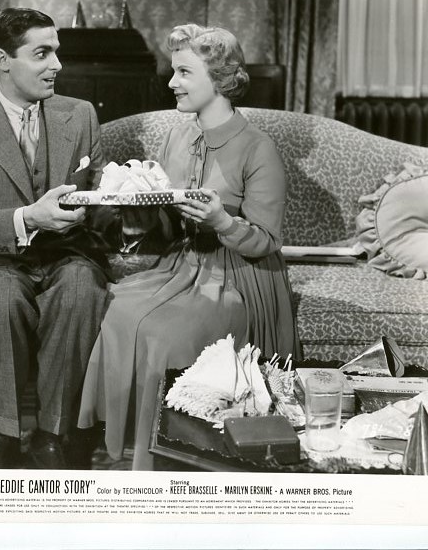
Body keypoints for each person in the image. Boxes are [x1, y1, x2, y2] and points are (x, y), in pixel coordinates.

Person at [77, 24, 300, 470]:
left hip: (241, 275)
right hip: (183, 264)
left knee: (164, 334)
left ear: (219, 79)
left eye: (184, 72)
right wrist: (139, 215)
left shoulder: (258, 148)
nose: (171, 82)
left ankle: (169, 455)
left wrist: (222, 222)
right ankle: (126, 442)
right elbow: (167, 216)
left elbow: (267, 239)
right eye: (173, 71)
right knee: (116, 310)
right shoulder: (177, 136)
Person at [0, 7, 111, 469]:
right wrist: (28, 218)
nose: (57, 65)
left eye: (56, 53)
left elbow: (98, 201)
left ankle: (53, 433)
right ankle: (5, 433)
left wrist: (127, 201)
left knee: (81, 290)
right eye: (42, 53)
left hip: (68, 256)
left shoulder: (80, 115)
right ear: (3, 60)